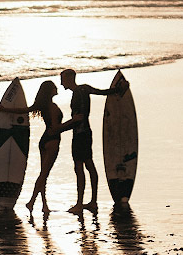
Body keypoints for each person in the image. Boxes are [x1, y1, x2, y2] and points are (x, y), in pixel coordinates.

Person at [56, 68, 127, 214]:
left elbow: (78, 119)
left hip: (79, 135)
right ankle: (93, 201)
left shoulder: (76, 94)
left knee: (79, 168)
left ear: (70, 78)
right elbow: (103, 92)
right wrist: (118, 89)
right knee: (89, 165)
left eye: (62, 79)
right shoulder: (85, 88)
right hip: (87, 133)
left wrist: (59, 129)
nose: (61, 83)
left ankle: (80, 204)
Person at [24, 80, 63, 218]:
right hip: (52, 141)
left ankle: (44, 205)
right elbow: (55, 127)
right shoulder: (52, 107)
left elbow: (25, 110)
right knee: (44, 174)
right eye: (54, 87)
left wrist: (5, 109)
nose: (57, 88)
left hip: (44, 140)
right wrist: (73, 123)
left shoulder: (44, 105)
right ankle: (32, 201)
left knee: (43, 174)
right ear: (50, 90)